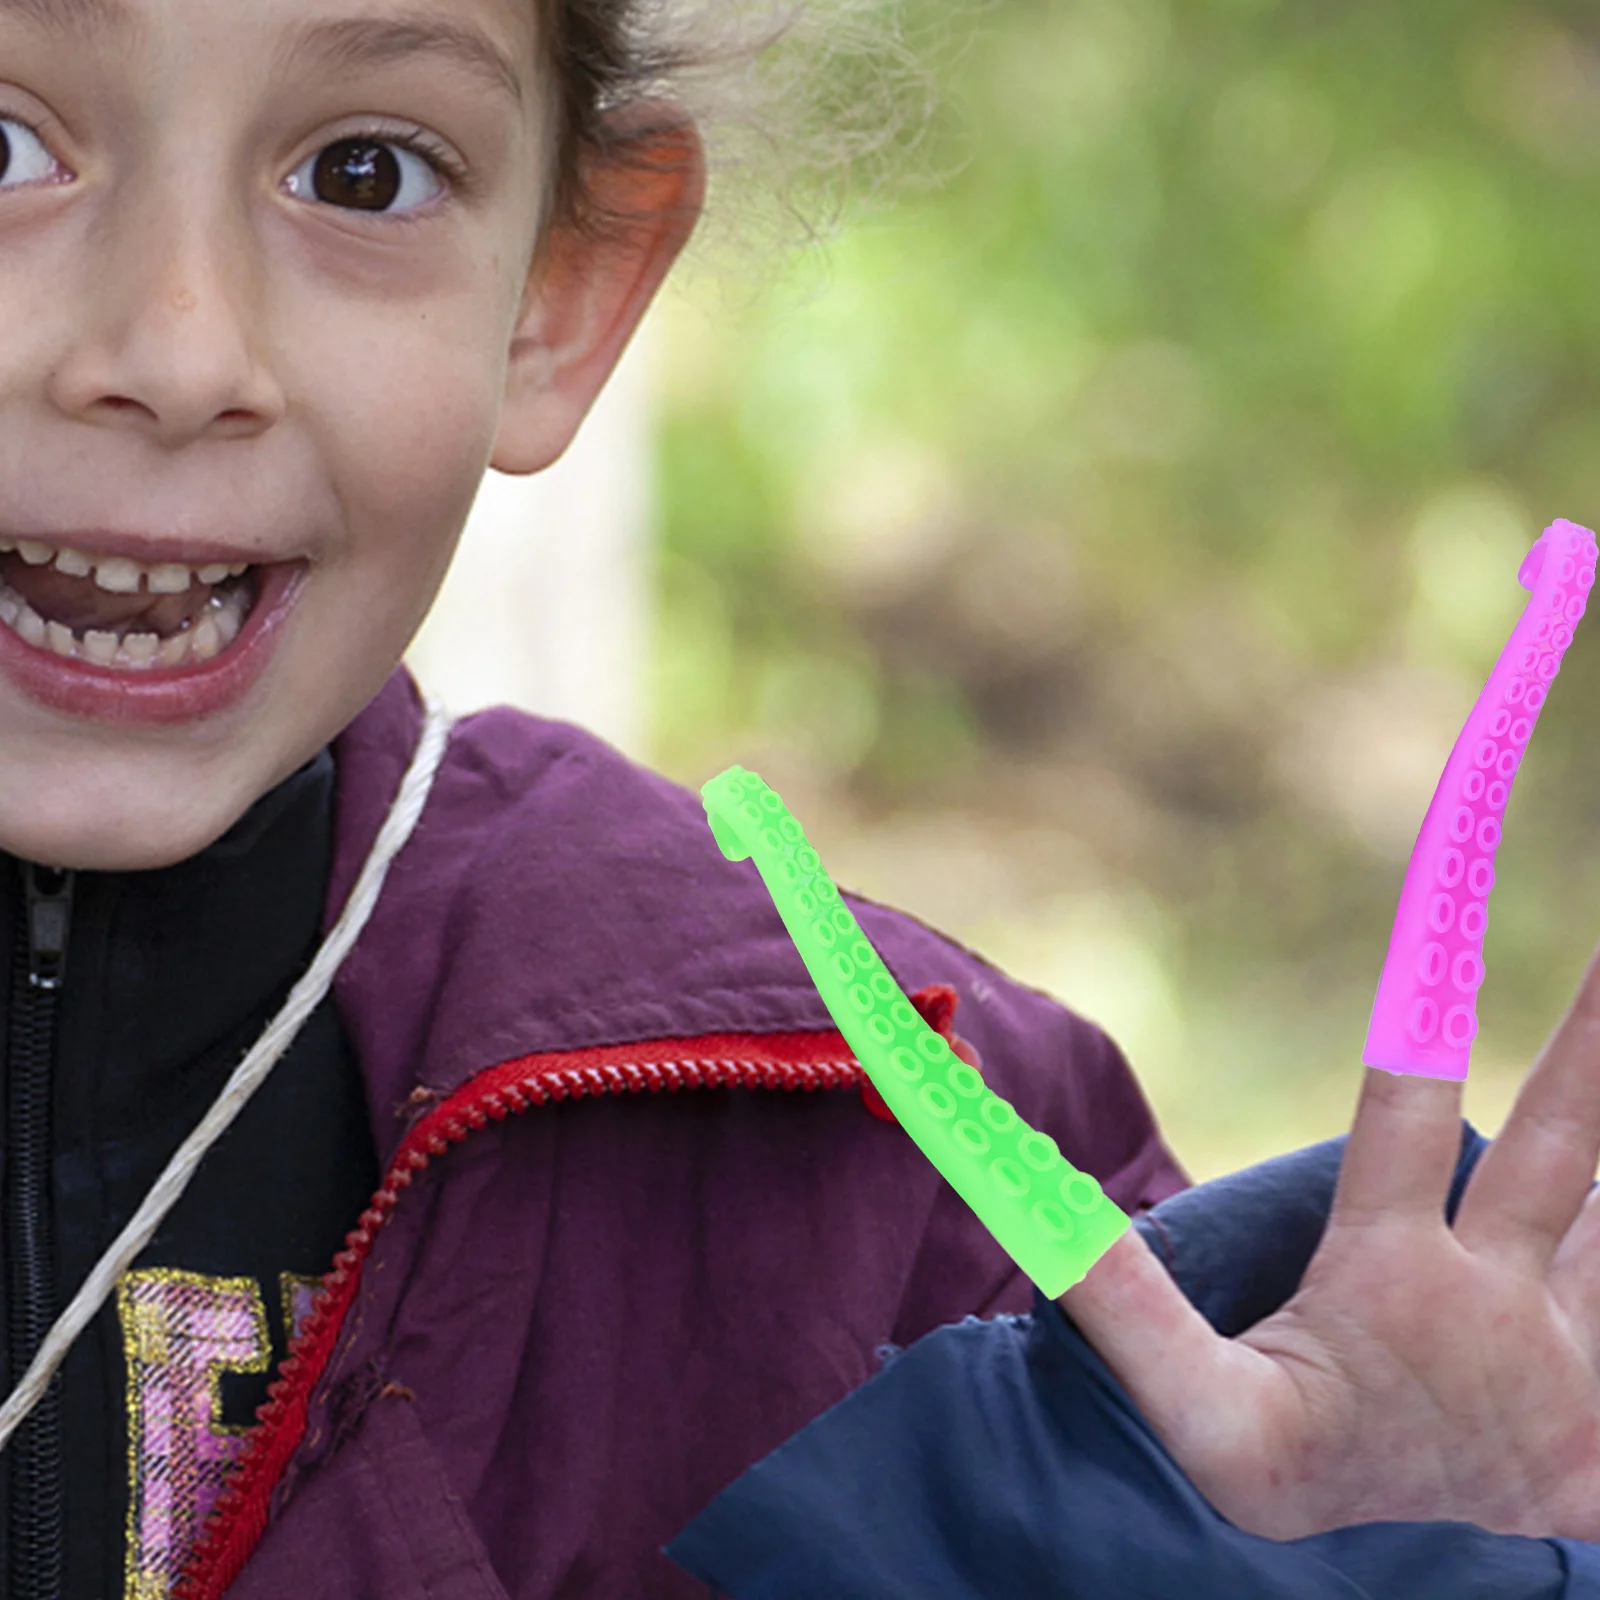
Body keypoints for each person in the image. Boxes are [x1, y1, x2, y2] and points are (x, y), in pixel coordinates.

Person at [0, 3, 1592, 1599]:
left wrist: (1367, 1561)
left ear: (563, 296)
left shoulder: (909, 1197)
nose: (179, 353)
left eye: (364, 174)